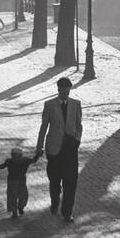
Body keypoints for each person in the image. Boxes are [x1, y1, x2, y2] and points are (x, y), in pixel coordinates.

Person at [36, 77, 82, 222]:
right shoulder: (49, 105)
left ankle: (67, 212)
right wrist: (39, 146)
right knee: (55, 180)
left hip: (70, 148)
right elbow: (44, 126)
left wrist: (77, 140)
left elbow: (79, 125)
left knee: (70, 181)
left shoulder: (76, 104)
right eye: (63, 91)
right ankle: (55, 200)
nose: (66, 94)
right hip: (54, 149)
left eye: (68, 91)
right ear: (59, 90)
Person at [0, 147, 41, 219]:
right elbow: (34, 160)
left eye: (17, 156)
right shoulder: (23, 160)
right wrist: (37, 155)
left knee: (18, 196)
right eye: (14, 156)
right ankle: (16, 211)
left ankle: (19, 207)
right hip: (16, 181)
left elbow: (0, 166)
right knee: (17, 196)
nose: (16, 158)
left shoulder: (12, 161)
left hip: (15, 181)